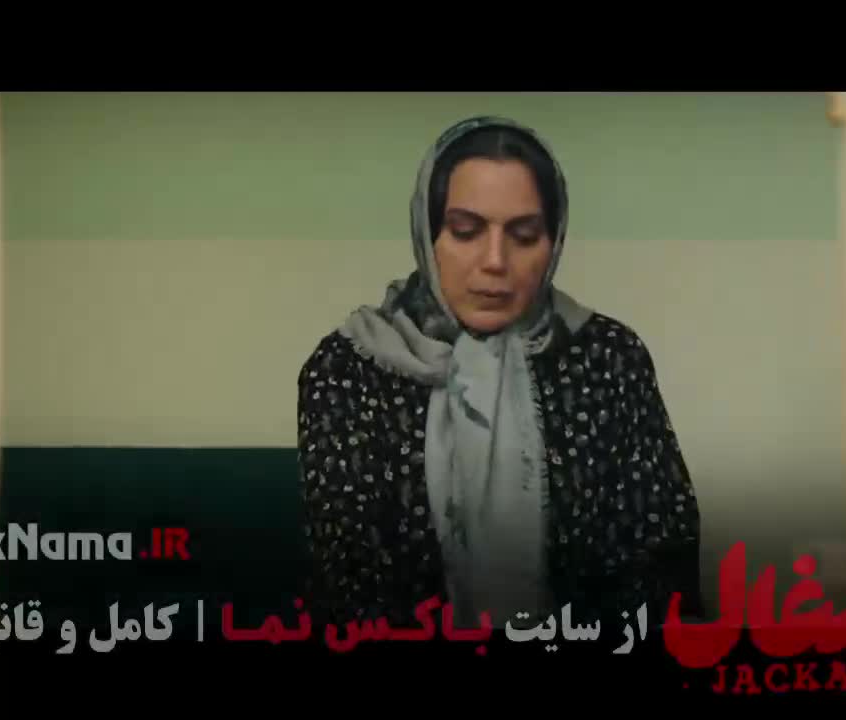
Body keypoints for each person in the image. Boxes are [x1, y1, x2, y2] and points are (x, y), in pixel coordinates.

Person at [297, 116, 702, 631]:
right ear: (427, 233)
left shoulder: (609, 358)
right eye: (466, 232)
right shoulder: (349, 369)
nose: (495, 261)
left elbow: (658, 560)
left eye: (524, 235)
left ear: (554, 241)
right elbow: (353, 581)